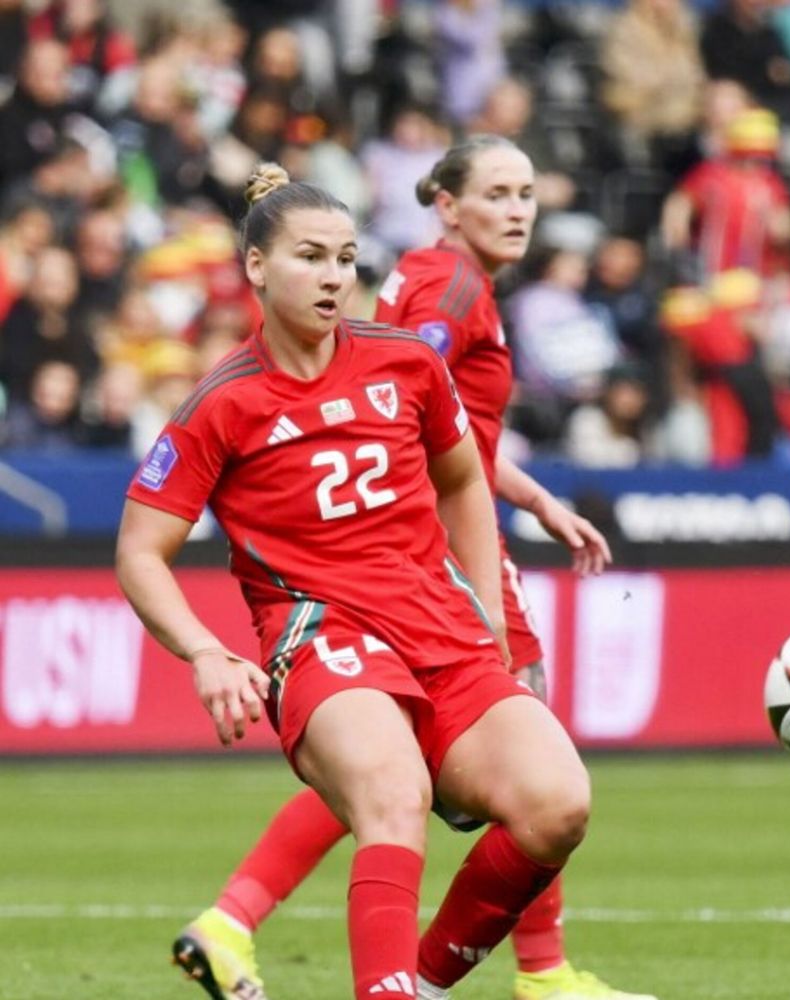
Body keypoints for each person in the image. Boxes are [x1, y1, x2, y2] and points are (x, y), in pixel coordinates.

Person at [168, 141, 654, 1000]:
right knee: (393, 769)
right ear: (445, 205)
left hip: (425, 556)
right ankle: (538, 972)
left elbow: (447, 435)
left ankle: (235, 918)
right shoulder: (448, 292)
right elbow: (404, 429)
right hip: (404, 561)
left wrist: (532, 502)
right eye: (496, 193)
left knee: (439, 770)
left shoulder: (432, 302)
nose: (518, 210)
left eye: (527, 193)